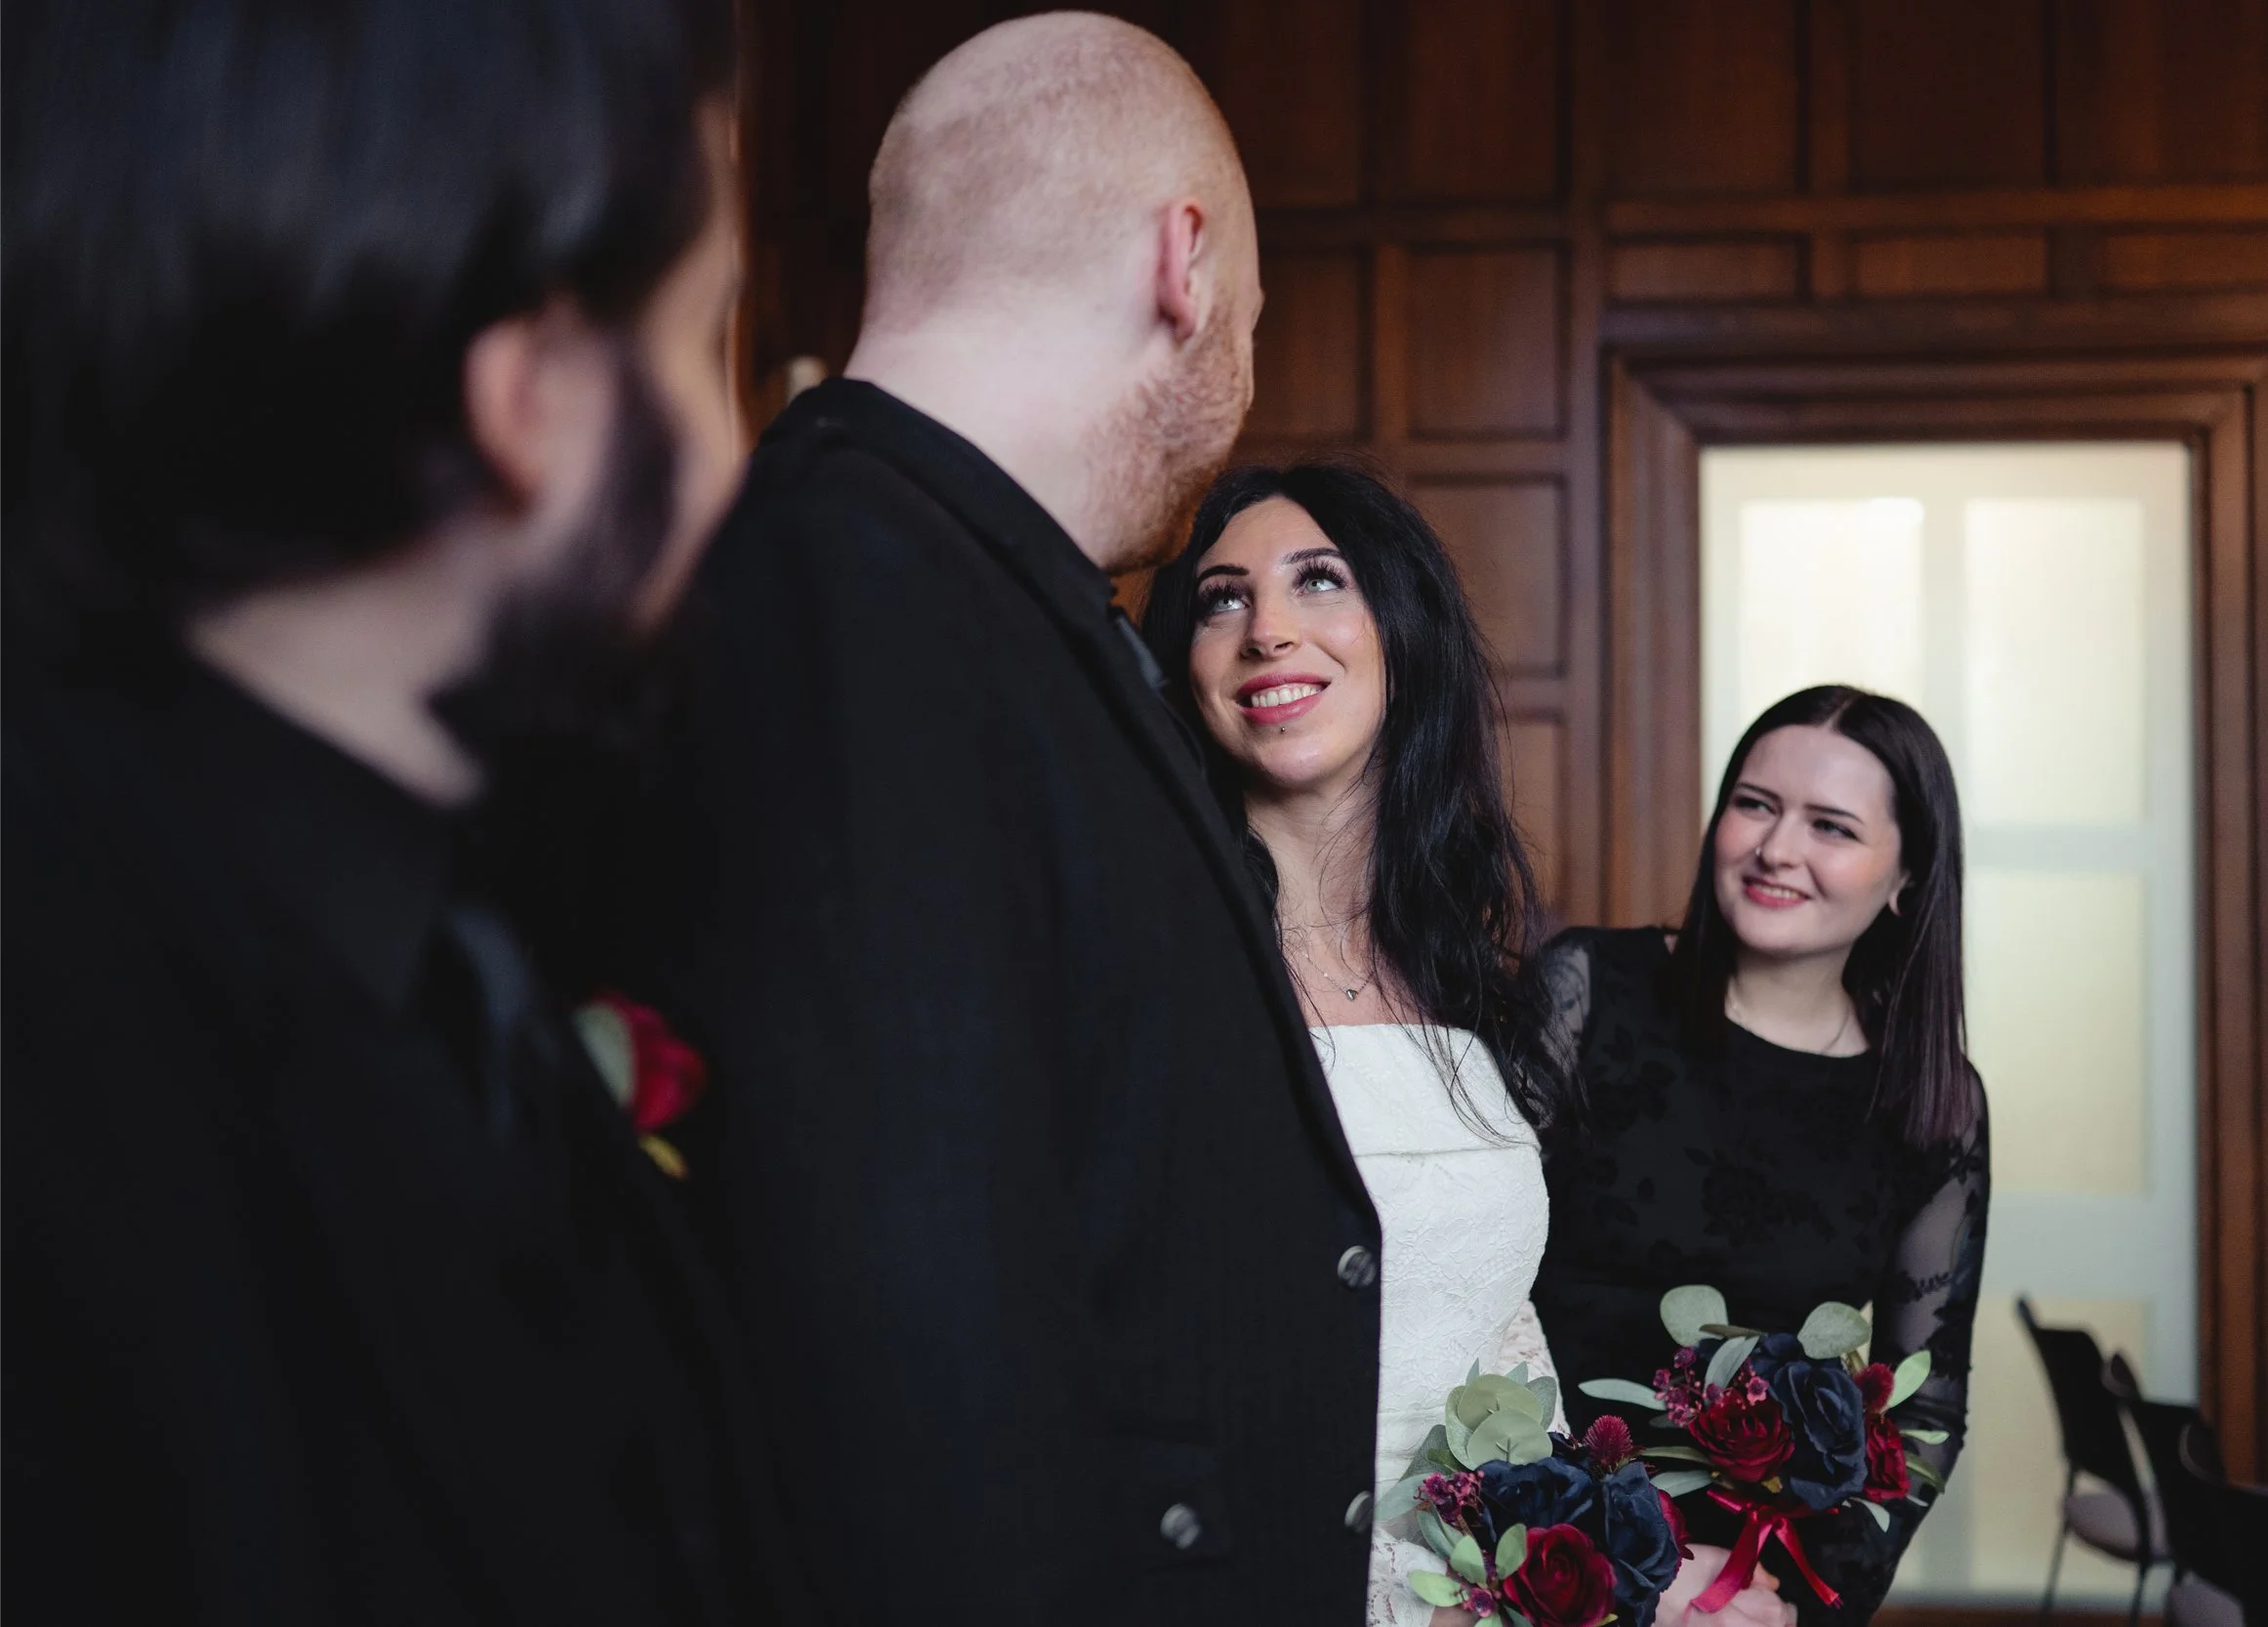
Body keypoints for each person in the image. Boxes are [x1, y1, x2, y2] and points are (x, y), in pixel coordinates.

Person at [1, 3, 799, 1623]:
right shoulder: (71, 1063)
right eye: (702, 341)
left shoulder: (440, 926)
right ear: (536, 400)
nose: (735, 468)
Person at [611, 16, 1381, 1623]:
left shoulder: (981, 594)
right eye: (1251, 302)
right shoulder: (860, 599)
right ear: (1187, 260)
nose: (1242, 349)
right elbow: (903, 1340)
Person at [1141, 463, 1795, 1627]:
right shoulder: (1151, 966)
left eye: (1318, 580)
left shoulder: (1466, 974)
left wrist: (1627, 1561)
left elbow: (1499, 1338)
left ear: (1403, 631)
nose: (1267, 630)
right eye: (1221, 598)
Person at [1534, 686, 1991, 1625]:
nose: (1777, 849)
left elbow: (1928, 1406)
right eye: (1755, 804)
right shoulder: (1587, 994)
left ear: (1907, 877)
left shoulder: (1931, 1099)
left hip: (1747, 1590)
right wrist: (1618, 1569)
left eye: (1831, 826)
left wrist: (1799, 1603)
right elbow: (1454, 1287)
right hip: (1537, 1539)